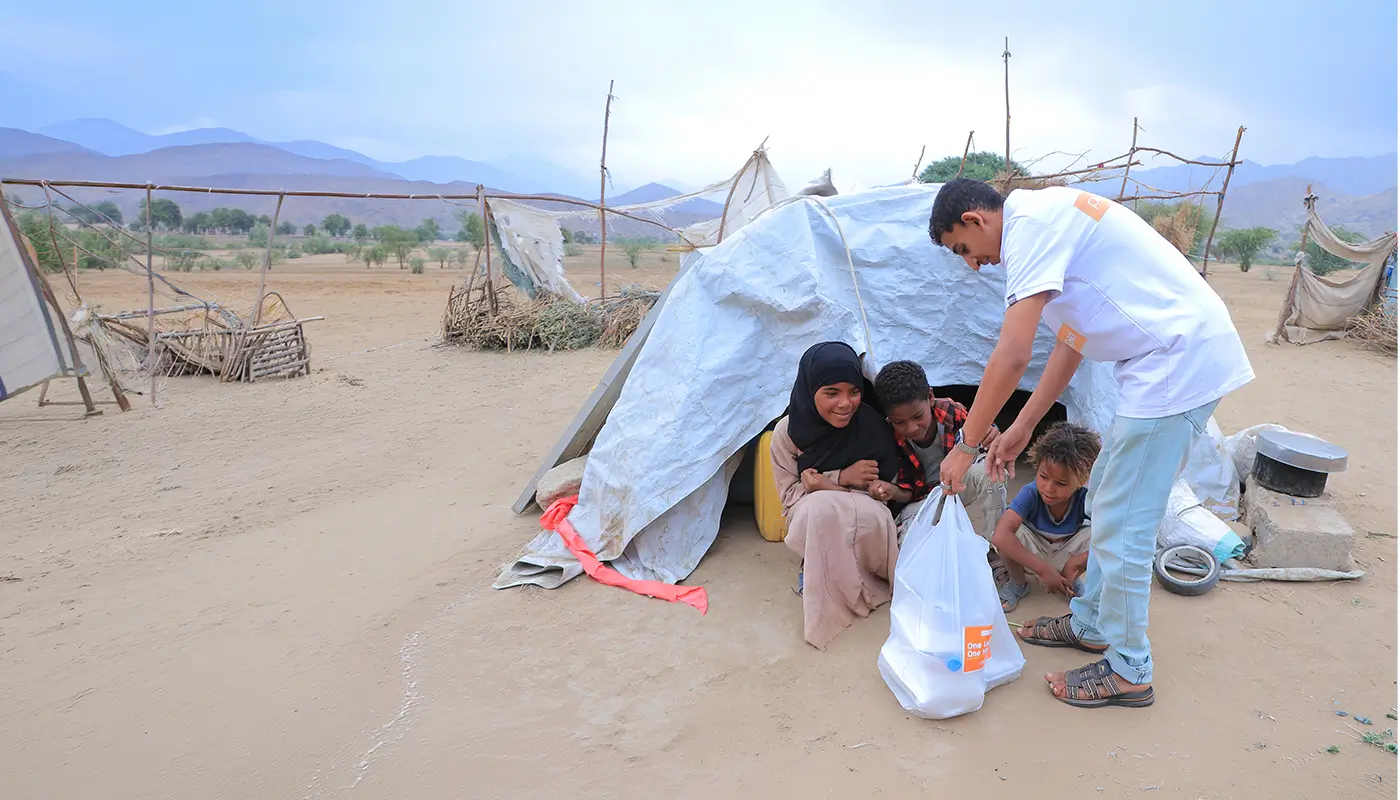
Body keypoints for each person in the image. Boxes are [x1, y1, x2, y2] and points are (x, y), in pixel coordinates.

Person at [930, 178, 1254, 709]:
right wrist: (1021, 428)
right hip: (1160, 366)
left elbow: (1011, 356)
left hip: (1174, 365)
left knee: (1125, 521)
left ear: (975, 220)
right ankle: (1093, 622)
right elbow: (1070, 343)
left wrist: (965, 446)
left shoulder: (1029, 227)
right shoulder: (1044, 228)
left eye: (964, 250)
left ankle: (1130, 669)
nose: (971, 264)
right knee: (1108, 497)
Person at [769, 341, 905, 649]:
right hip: (814, 514)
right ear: (809, 388)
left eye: (853, 392)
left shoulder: (872, 425)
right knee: (818, 509)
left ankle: (858, 575)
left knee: (841, 507)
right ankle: (819, 571)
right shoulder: (787, 433)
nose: (845, 403)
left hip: (869, 513)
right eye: (831, 393)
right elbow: (791, 498)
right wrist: (842, 478)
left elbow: (886, 493)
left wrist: (830, 484)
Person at [870, 360, 1003, 545]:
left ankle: (993, 547)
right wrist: (892, 491)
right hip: (925, 501)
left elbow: (983, 437)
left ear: (930, 396)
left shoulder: (951, 411)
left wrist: (992, 433)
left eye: (918, 416)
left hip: (959, 485)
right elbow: (910, 493)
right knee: (907, 542)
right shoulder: (887, 437)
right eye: (899, 422)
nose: (912, 428)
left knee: (990, 474)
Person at [992, 422, 1100, 613]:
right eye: (1043, 476)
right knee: (1005, 532)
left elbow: (1115, 538)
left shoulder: (1086, 499)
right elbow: (1000, 536)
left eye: (1060, 483)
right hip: (1032, 553)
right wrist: (1043, 570)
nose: (1048, 488)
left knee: (1099, 535)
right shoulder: (1031, 493)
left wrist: (1075, 563)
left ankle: (1069, 581)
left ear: (1082, 480)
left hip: (1067, 554)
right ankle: (1018, 582)